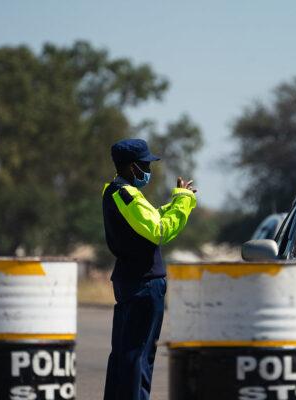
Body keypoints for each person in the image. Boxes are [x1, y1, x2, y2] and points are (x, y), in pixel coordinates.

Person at [102, 138, 197, 400]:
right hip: (143, 284)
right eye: (145, 164)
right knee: (138, 356)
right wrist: (183, 204)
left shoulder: (116, 191)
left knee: (124, 354)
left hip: (131, 279)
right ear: (132, 167)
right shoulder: (127, 194)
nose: (148, 170)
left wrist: (179, 198)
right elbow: (159, 230)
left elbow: (150, 218)